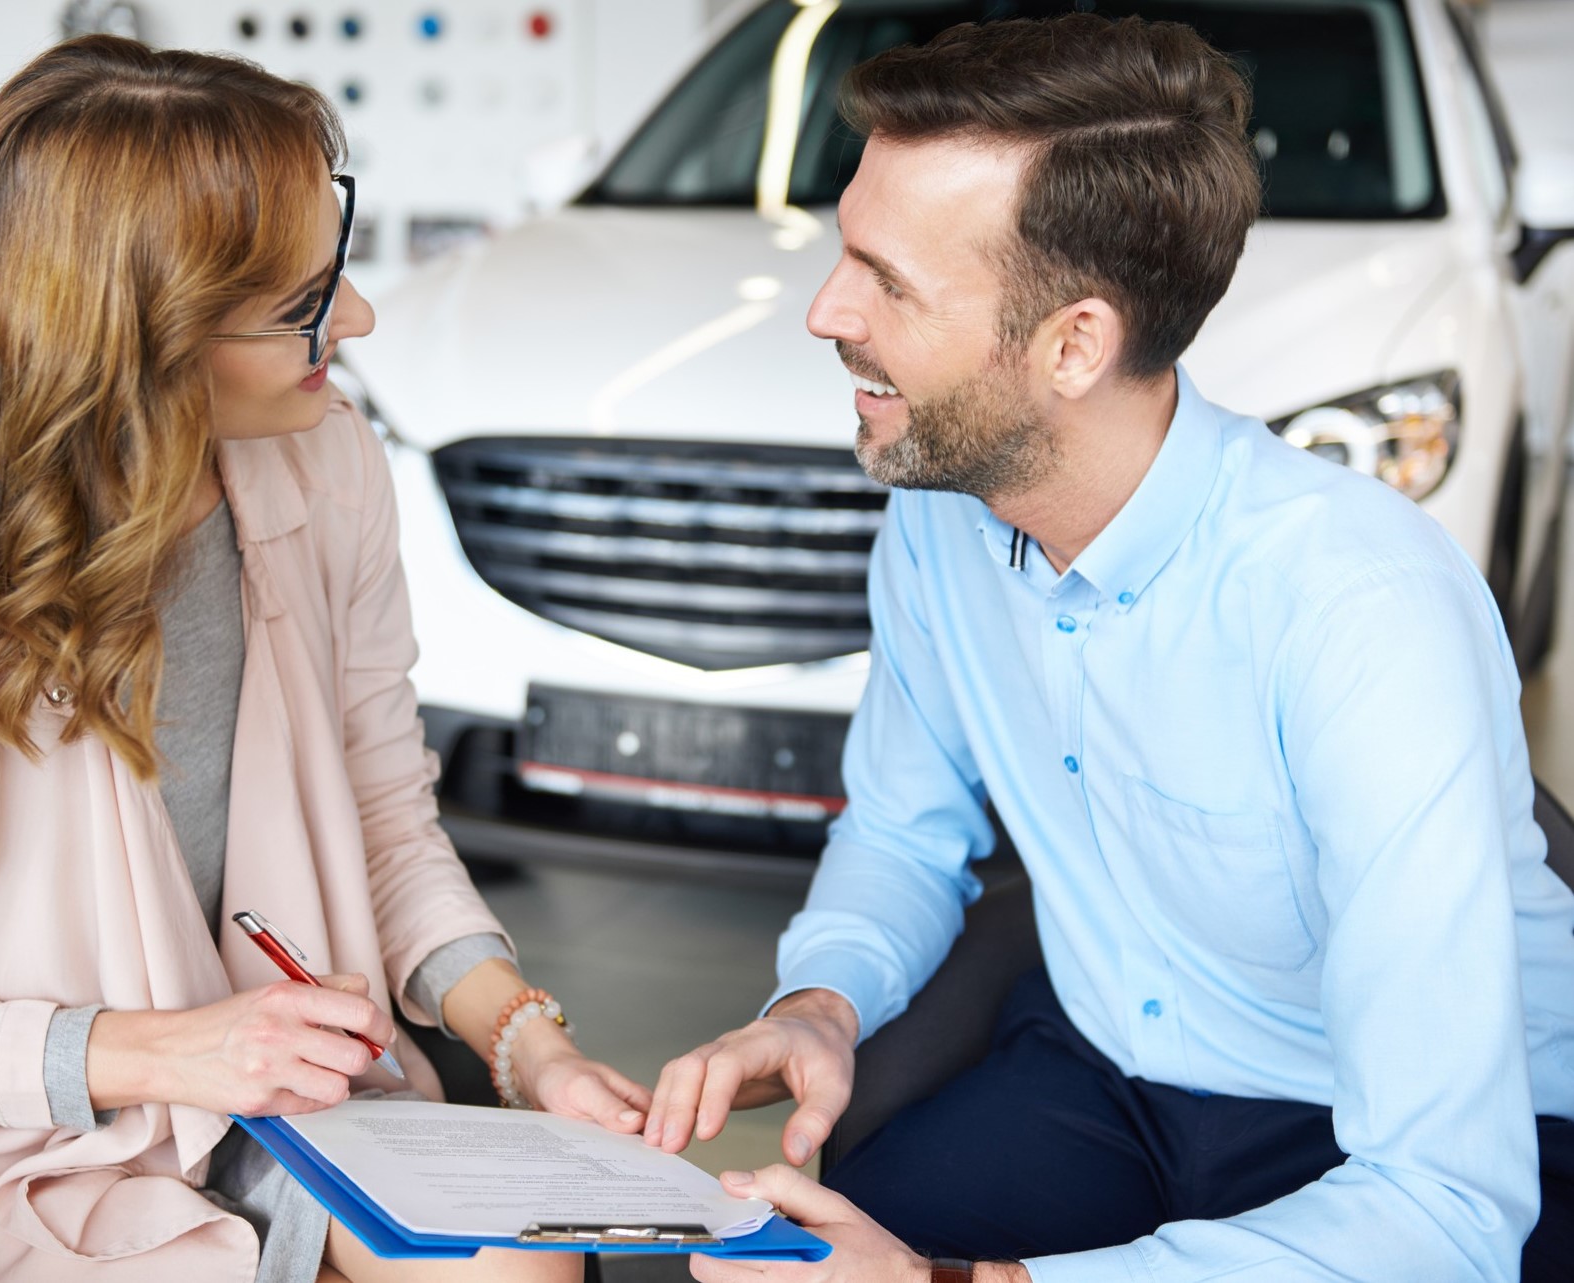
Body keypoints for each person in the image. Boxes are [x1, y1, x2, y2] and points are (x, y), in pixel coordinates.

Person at [645, 14, 1574, 1282]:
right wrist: (823, 1000)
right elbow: (905, 831)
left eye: (887, 279)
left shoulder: (1356, 608)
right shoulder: (938, 530)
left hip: (1412, 1142)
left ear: (1073, 344)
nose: (824, 311)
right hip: (1111, 1072)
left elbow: (1446, 1210)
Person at [0, 36, 651, 1283]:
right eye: (304, 303)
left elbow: (385, 819)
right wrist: (166, 1052)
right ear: (141, 337)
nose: (353, 321)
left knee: (522, 1265)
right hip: (1, 1133)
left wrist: (528, 1043)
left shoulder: (332, 463)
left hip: (279, 1098)